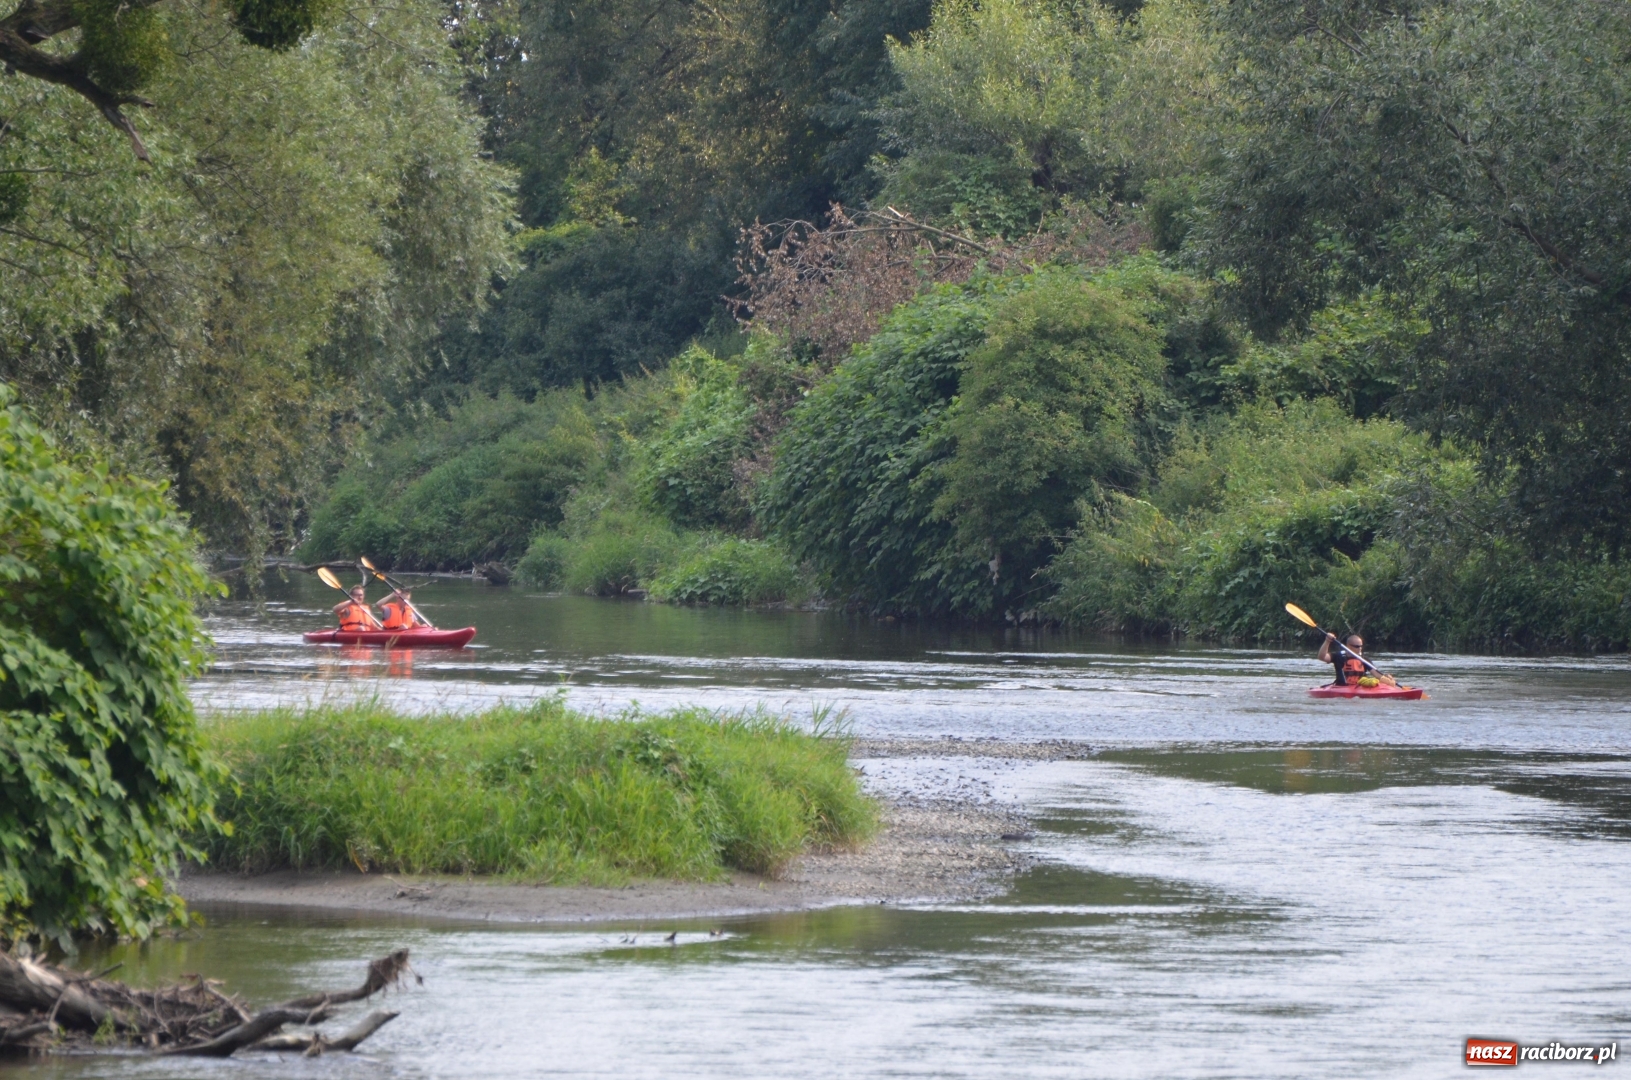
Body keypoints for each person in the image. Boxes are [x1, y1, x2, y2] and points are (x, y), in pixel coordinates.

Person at [1317, 632, 1395, 686]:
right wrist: (1327, 641)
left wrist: (1387, 679)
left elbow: (1376, 674)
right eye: (1357, 646)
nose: (1360, 648)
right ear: (1348, 646)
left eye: (1361, 646)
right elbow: (1322, 657)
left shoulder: (1364, 659)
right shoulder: (1338, 656)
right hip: (1343, 687)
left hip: (1360, 686)